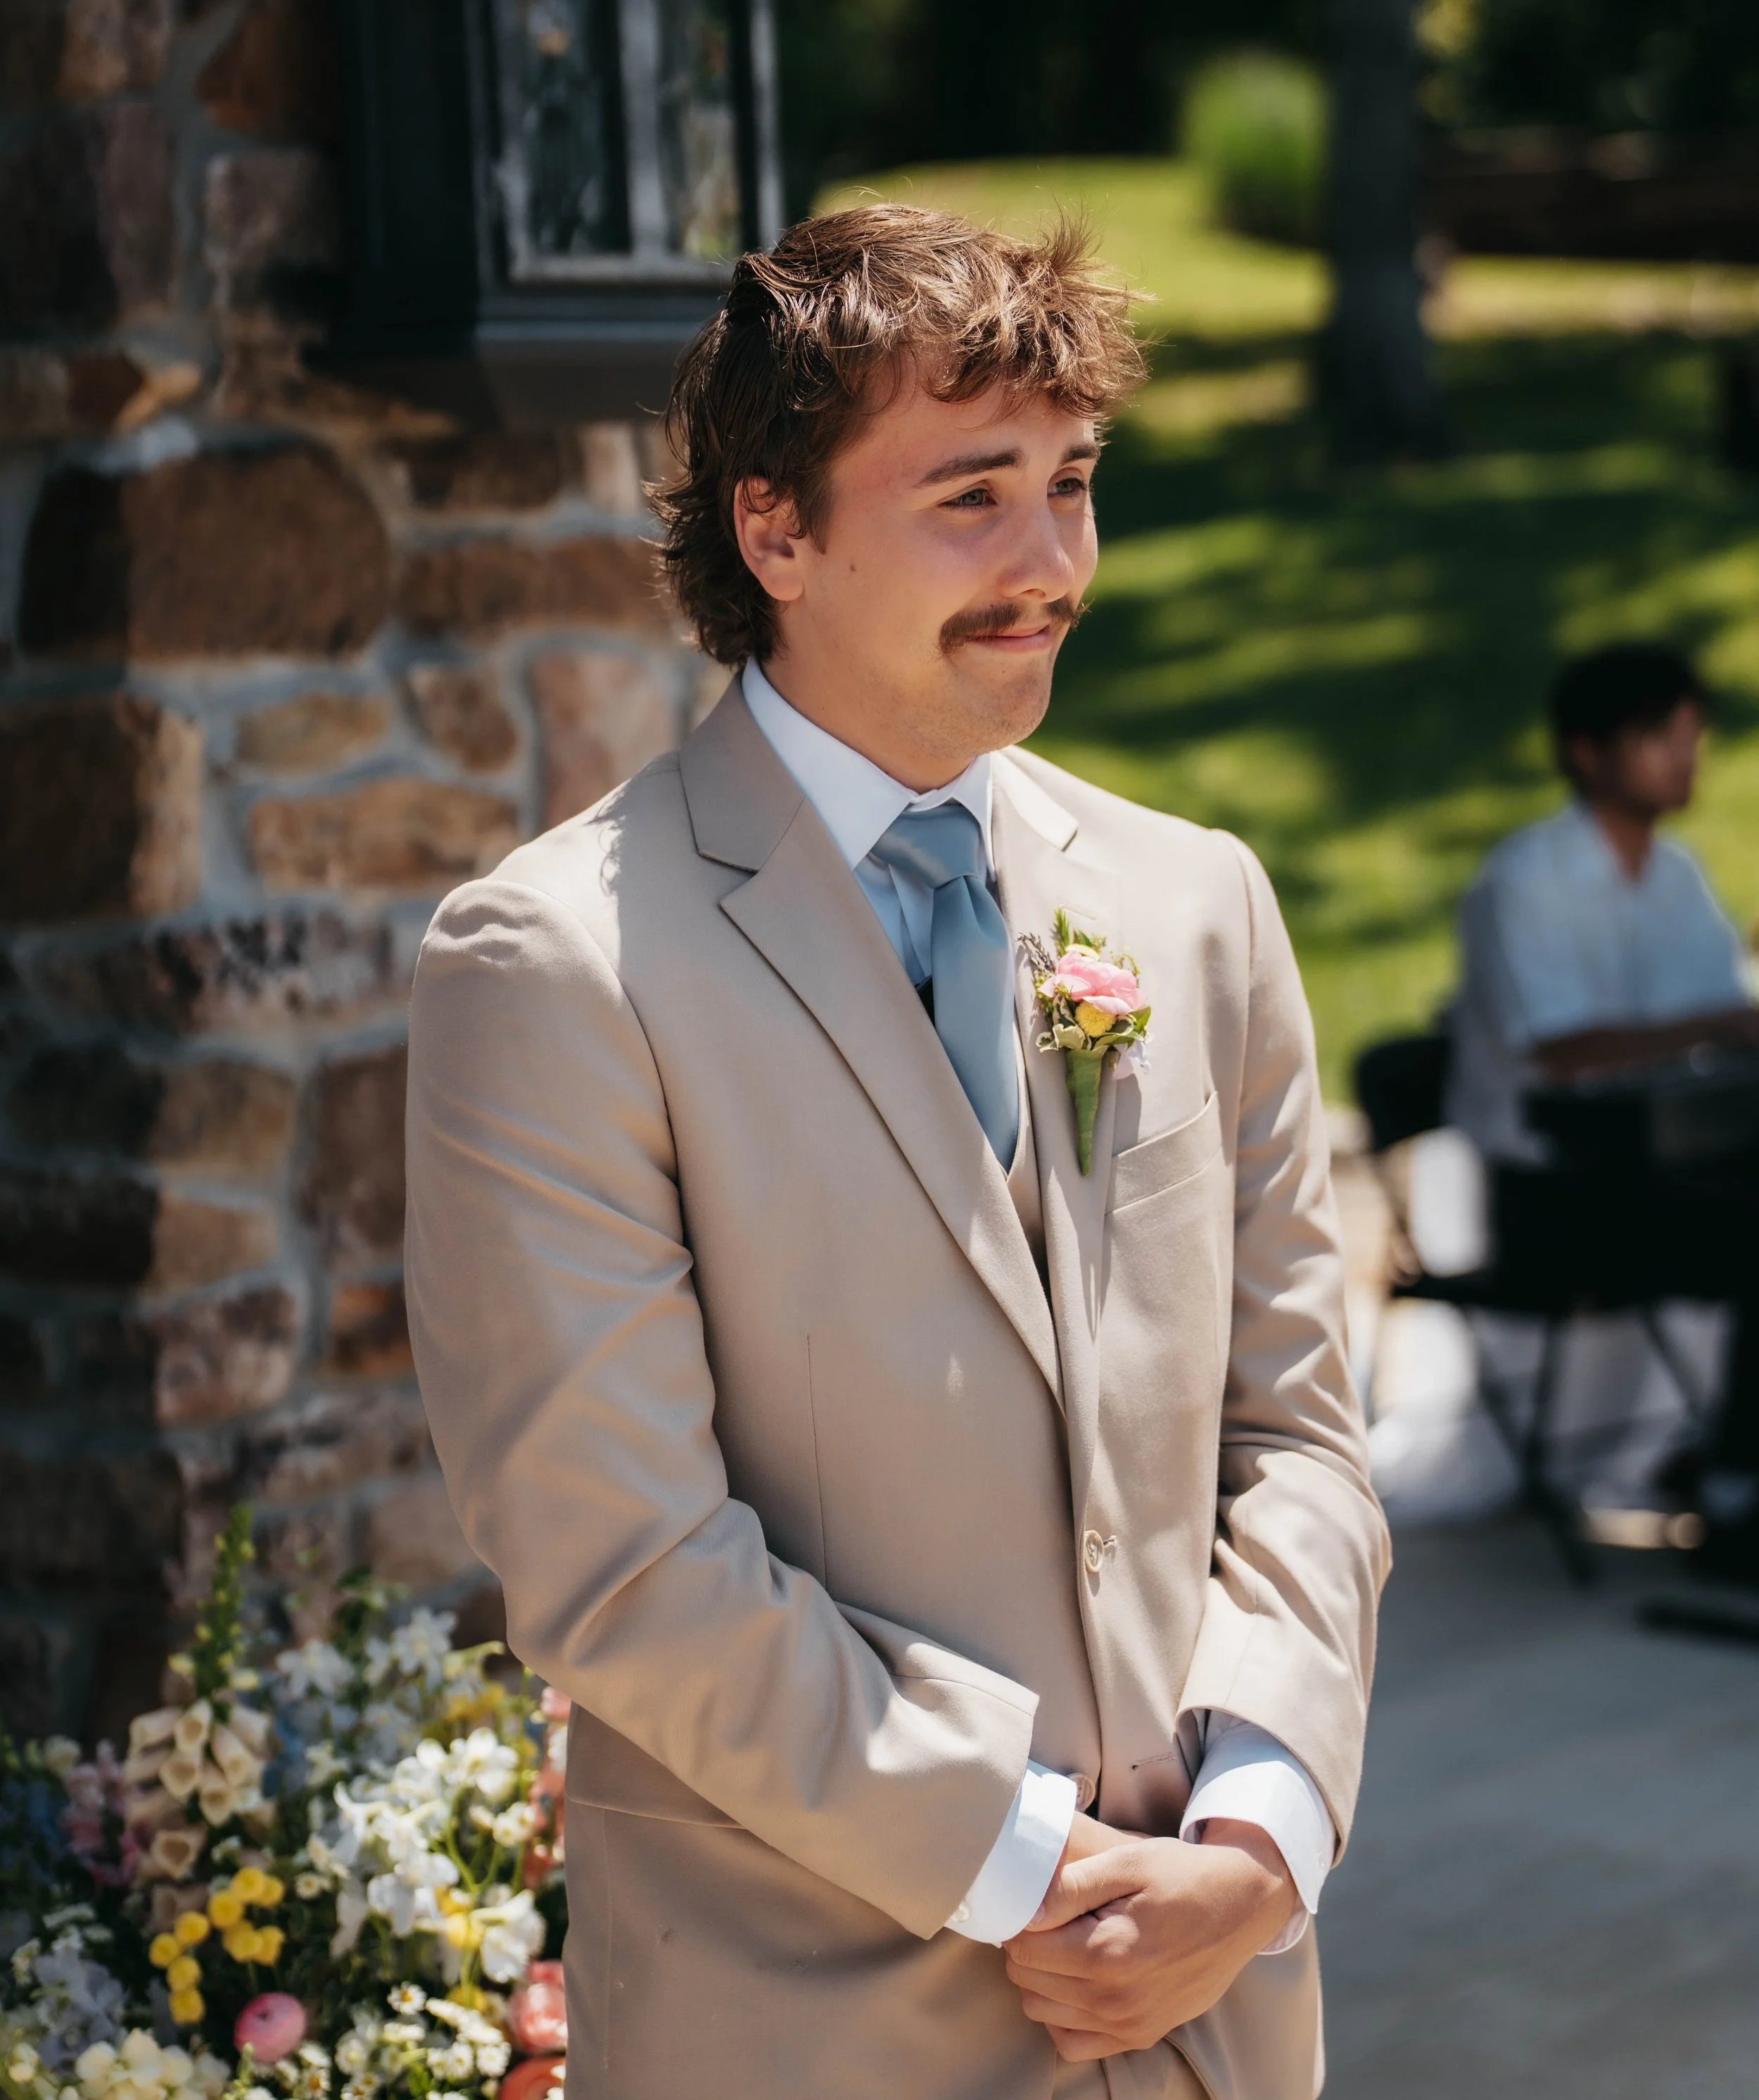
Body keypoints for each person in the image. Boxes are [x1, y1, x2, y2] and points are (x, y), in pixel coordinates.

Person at [405, 205, 1388, 2100]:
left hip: (1218, 2021)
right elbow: (624, 1563)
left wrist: (1253, 1848)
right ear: (774, 529)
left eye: (1071, 483)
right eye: (973, 497)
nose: (1050, 562)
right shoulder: (553, 965)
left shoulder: (1196, 905)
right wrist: (1040, 1867)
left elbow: (1299, 1442)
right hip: (812, 2031)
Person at [1447, 640, 1759, 1562]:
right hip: (1551, 1198)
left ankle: (1727, 1457)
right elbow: (1564, 1051)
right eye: (1662, 738)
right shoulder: (1526, 880)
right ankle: (1734, 1481)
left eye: (1691, 738)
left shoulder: (1677, 876)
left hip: (1661, 1172)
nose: (1685, 758)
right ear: (1590, 753)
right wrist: (1724, 1029)